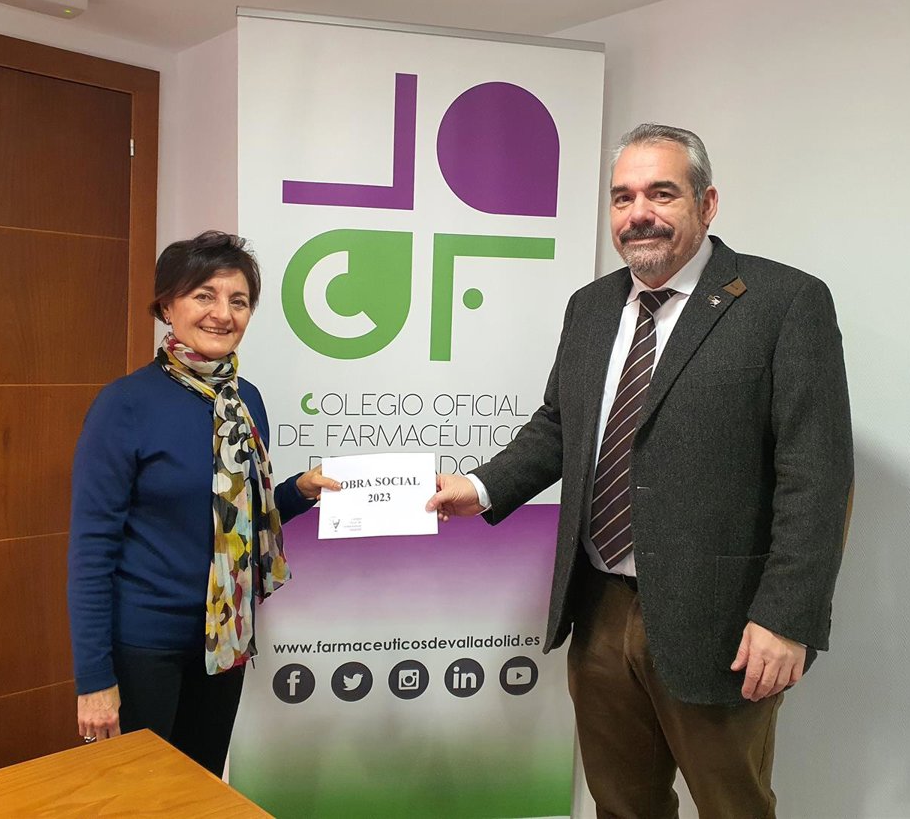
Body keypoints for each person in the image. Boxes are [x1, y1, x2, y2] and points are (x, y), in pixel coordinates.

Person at [428, 124, 853, 818]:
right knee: (622, 805)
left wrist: (786, 618)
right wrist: (480, 487)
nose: (638, 213)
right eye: (622, 197)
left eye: (661, 193)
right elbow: (560, 425)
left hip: (721, 620)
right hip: (598, 606)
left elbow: (817, 475)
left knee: (734, 807)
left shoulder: (783, 302)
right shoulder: (591, 306)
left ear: (706, 203)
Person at [68, 230, 339, 775]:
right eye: (204, 295)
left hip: (224, 642)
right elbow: (91, 551)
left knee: (201, 789)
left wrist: (299, 492)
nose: (222, 313)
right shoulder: (125, 405)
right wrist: (94, 679)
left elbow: (238, 519)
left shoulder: (245, 401)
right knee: (137, 799)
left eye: (238, 300)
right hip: (145, 646)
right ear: (167, 306)